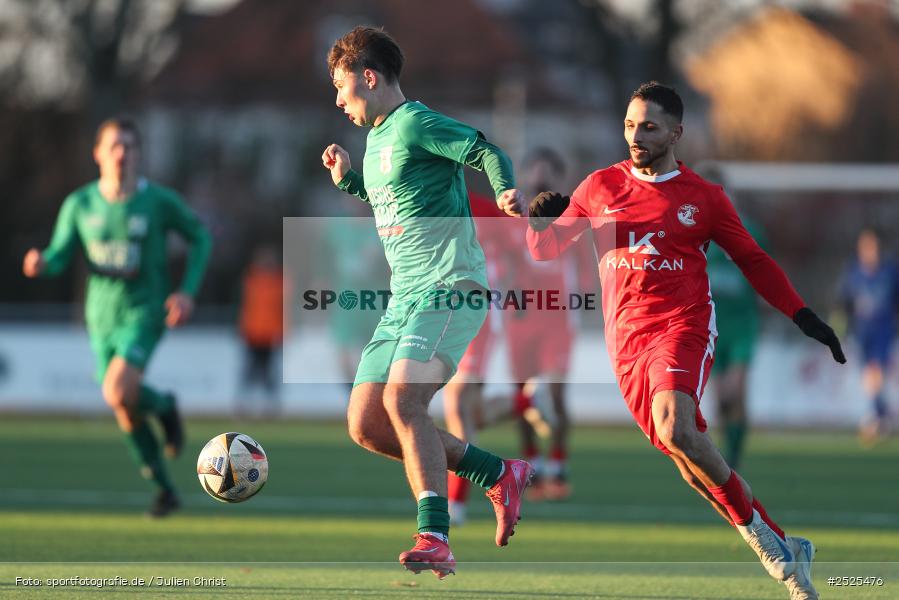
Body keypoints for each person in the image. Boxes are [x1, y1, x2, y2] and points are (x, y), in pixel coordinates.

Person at [526, 82, 845, 600]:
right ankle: (790, 545)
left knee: (677, 425)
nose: (636, 135)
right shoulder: (599, 187)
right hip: (626, 342)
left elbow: (754, 261)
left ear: (676, 132)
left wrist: (802, 314)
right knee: (690, 465)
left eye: (649, 127)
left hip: (683, 324)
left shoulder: (704, 198)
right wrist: (540, 217)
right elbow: (545, 249)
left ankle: (768, 548)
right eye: (630, 125)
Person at [320, 26, 533, 579]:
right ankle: (498, 472)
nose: (338, 100)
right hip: (403, 300)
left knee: (404, 402)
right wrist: (349, 183)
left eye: (342, 87)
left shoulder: (415, 122)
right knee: (367, 424)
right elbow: (395, 201)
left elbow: (483, 148)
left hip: (449, 287)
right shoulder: (374, 142)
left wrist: (506, 189)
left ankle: (435, 535)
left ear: (369, 77)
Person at [23, 117, 212, 517]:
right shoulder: (80, 204)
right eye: (114, 146)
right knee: (124, 406)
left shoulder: (158, 202)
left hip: (145, 311)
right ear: (98, 154)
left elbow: (200, 237)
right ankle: (165, 489)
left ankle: (163, 407)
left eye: (129, 145)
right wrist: (43, 262)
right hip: (101, 318)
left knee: (116, 390)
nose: (122, 153)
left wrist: (187, 292)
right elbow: (60, 254)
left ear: (139, 154)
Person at [503, 148, 576, 501]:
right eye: (534, 172)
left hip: (557, 321)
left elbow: (585, 270)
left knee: (555, 395)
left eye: (547, 174)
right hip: (520, 320)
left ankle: (558, 469)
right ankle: (531, 466)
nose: (539, 179)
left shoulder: (572, 219)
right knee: (522, 399)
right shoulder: (513, 221)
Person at [706, 203, 767, 470]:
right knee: (720, 400)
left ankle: (734, 456)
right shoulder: (694, 232)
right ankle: (728, 452)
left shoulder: (749, 231)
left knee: (736, 391)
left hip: (742, 325)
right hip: (711, 327)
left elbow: (765, 271)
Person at [838, 228, 898, 445]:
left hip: (884, 331)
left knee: (876, 371)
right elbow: (843, 303)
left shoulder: (889, 272)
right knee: (868, 376)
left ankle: (876, 418)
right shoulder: (853, 272)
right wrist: (840, 330)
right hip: (862, 331)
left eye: (873, 247)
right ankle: (882, 415)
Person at [237, 244, 287, 416]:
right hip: (253, 332)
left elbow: (284, 308)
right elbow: (245, 306)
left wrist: (283, 330)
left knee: (269, 371)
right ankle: (244, 404)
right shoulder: (251, 279)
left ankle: (270, 406)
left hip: (271, 333)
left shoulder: (280, 281)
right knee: (249, 370)